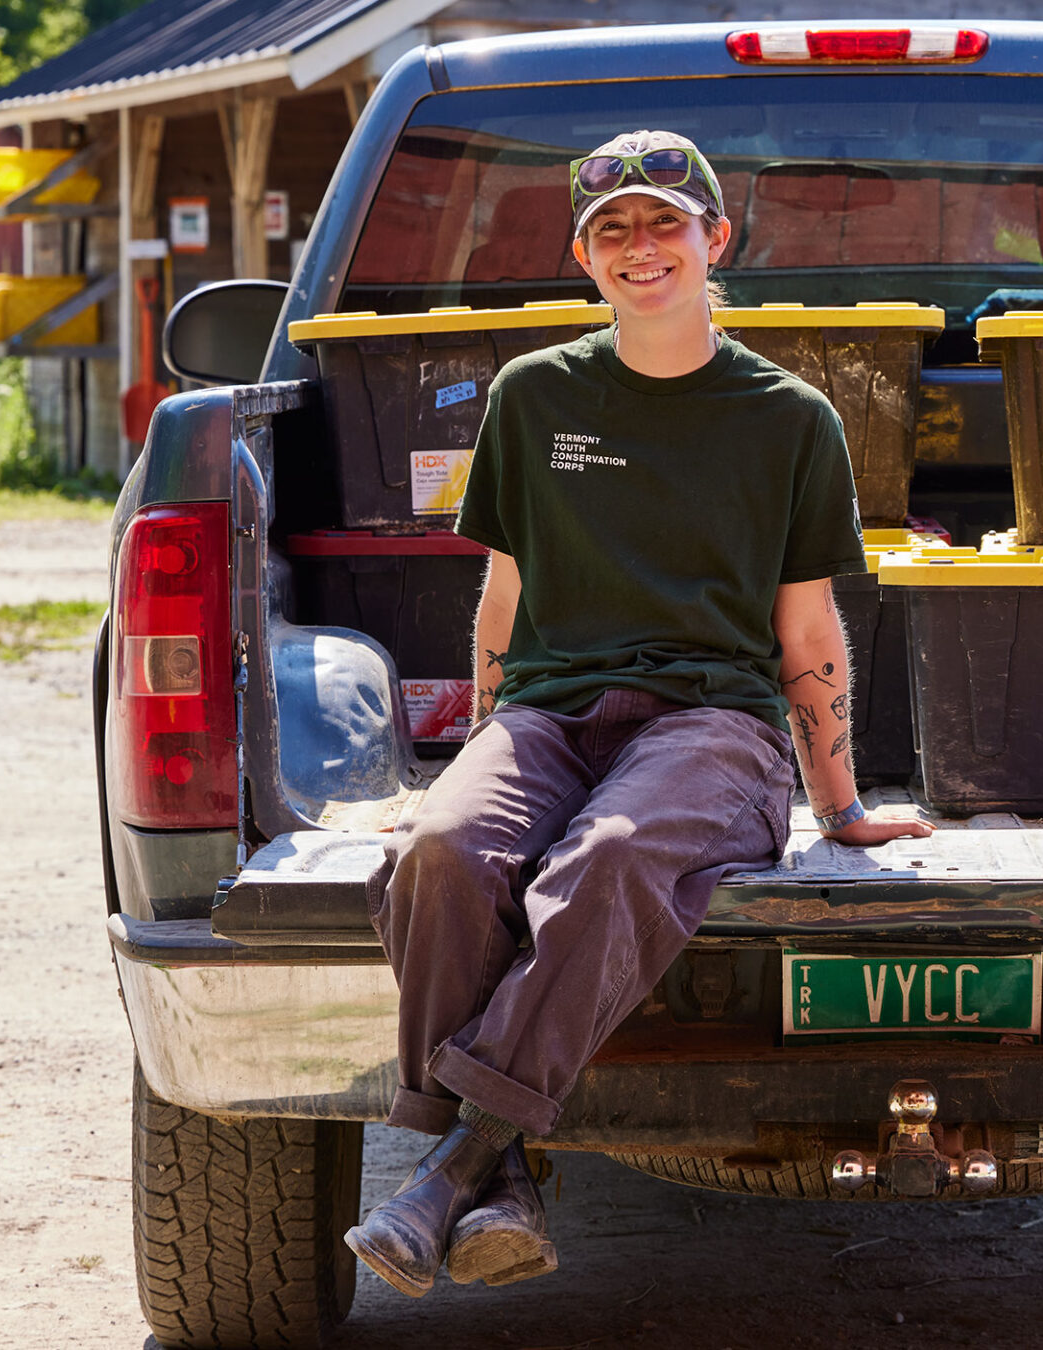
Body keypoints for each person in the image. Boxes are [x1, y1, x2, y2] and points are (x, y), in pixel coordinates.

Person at [345, 130, 935, 1297]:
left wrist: (842, 802)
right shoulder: (533, 395)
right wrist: (476, 763)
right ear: (583, 256)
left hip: (713, 724)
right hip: (552, 713)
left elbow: (808, 632)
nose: (641, 246)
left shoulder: (791, 418)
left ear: (716, 240)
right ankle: (494, 1178)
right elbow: (503, 600)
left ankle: (457, 1160)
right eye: (612, 229)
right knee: (444, 853)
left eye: (666, 223)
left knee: (609, 859)